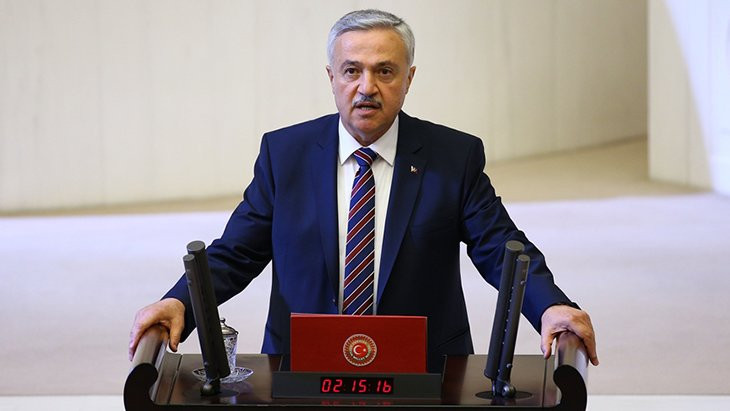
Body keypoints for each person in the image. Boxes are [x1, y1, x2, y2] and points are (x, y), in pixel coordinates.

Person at [129, 9, 598, 371]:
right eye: (352, 71)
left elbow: (499, 246)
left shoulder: (453, 155)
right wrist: (179, 301)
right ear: (331, 77)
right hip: (302, 364)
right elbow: (237, 252)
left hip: (424, 367)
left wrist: (550, 305)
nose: (366, 87)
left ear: (409, 78)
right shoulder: (285, 154)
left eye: (385, 71)